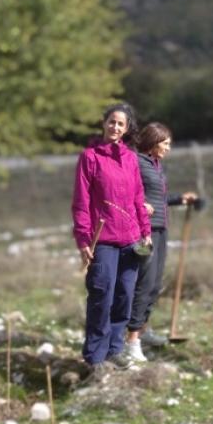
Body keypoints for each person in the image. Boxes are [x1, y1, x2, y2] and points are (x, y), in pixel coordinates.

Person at [71, 103, 152, 378]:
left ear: (127, 129)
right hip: (102, 239)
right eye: (111, 122)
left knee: (124, 297)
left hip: (131, 240)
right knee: (101, 295)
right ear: (103, 123)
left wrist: (146, 232)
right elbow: (81, 203)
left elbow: (138, 199)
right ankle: (95, 357)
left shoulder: (130, 158)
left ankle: (115, 350)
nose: (115, 127)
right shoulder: (90, 157)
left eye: (121, 124)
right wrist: (83, 239)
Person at [125, 122, 197, 363]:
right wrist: (138, 210)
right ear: (153, 142)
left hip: (160, 230)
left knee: (155, 284)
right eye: (165, 143)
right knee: (143, 284)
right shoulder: (135, 162)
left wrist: (178, 199)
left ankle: (143, 331)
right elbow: (125, 194)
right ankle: (131, 341)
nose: (168, 148)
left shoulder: (155, 165)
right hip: (143, 233)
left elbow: (158, 197)